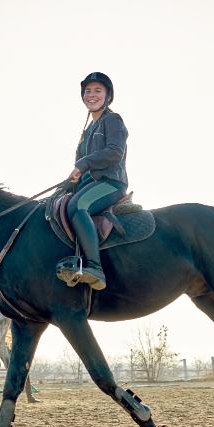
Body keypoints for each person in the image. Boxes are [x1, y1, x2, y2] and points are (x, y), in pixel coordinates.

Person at [66, 72, 129, 290]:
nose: (91, 95)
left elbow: (114, 152)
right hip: (88, 185)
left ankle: (95, 267)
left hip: (111, 183)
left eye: (98, 91)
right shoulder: (86, 132)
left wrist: (82, 165)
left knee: (78, 205)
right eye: (88, 91)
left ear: (107, 96)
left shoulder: (112, 120)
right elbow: (79, 165)